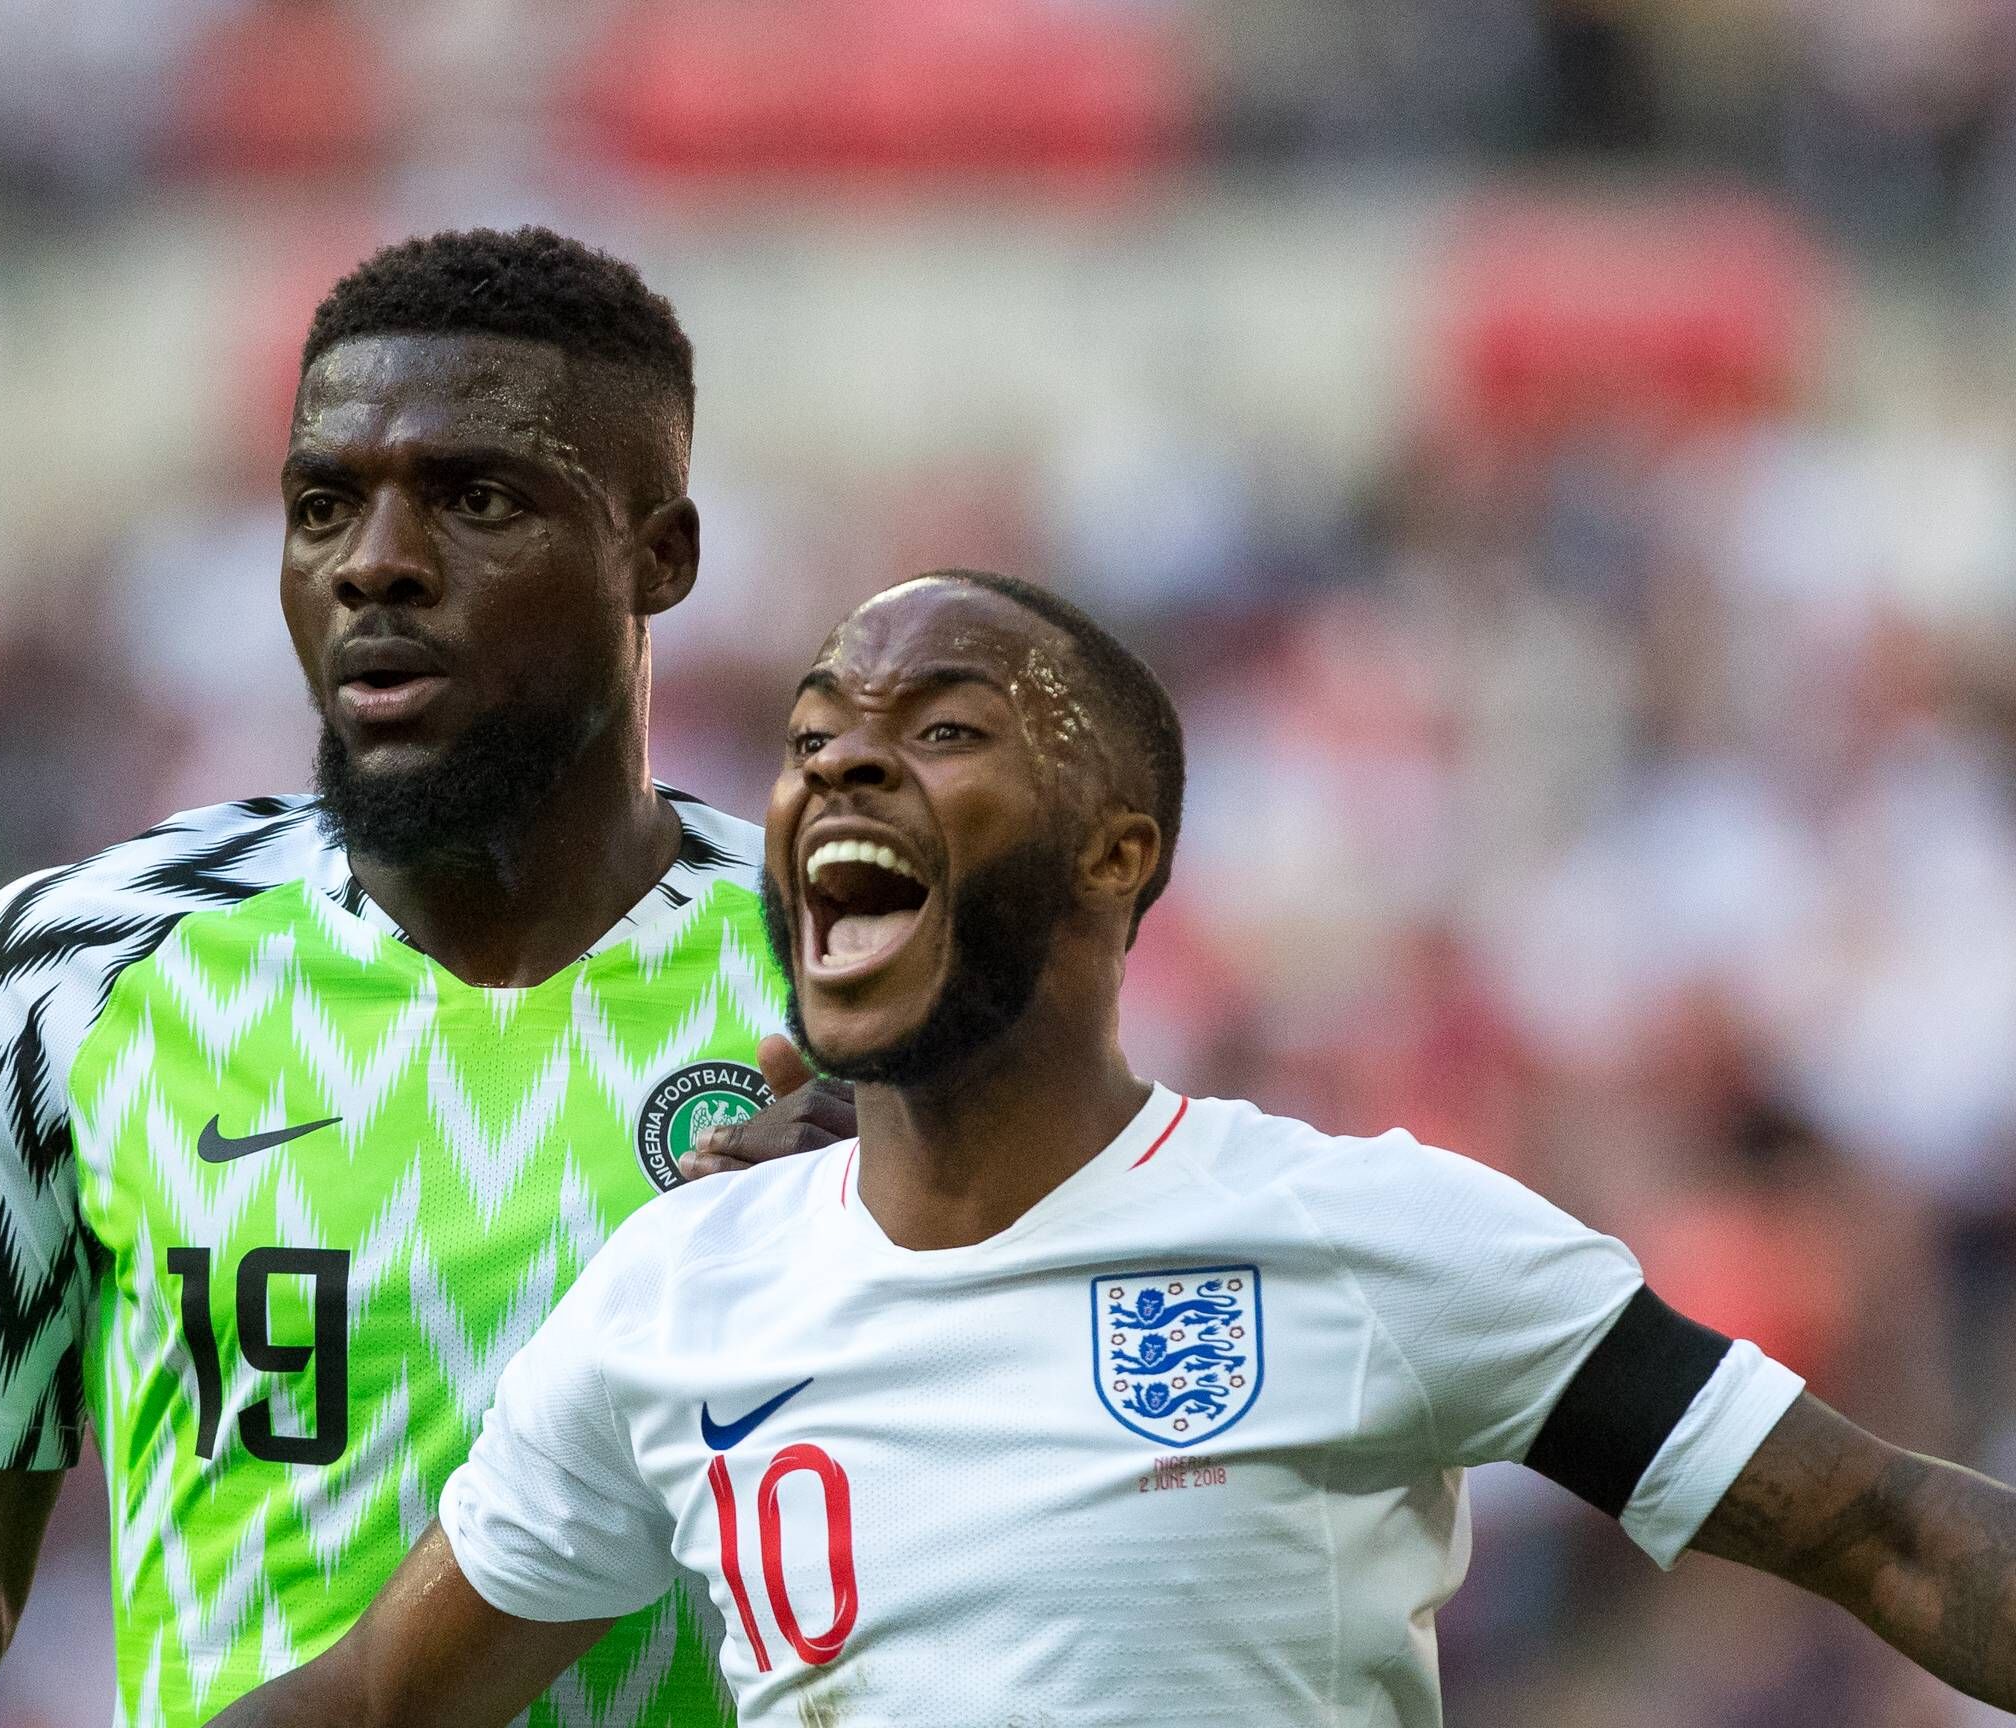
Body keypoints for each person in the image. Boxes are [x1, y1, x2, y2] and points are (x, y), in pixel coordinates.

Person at [211, 568, 2016, 1727]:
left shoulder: (1365, 1241)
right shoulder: (676, 1298)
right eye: (814, 737)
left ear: (1116, 851)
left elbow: (1882, 1533)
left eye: (940, 732)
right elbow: (378, 1703)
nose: (839, 770)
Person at [0, 227, 848, 1728]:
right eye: (324, 504)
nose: (374, 560)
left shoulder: (849, 979)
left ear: (662, 554)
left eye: (476, 497)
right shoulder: (68, 976)